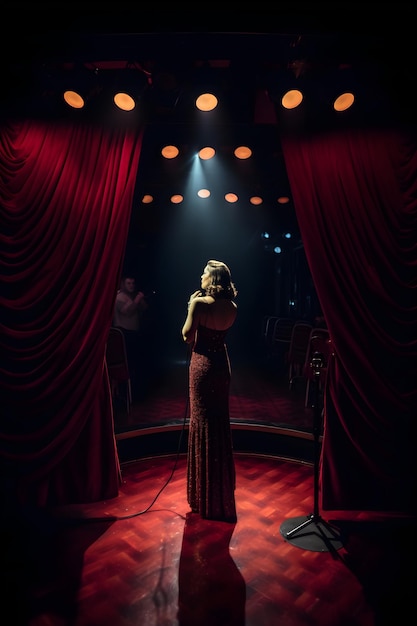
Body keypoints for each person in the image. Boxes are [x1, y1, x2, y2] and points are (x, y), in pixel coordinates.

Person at [181, 259, 238, 522]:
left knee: (202, 423)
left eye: (204, 273)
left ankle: (202, 496)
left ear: (213, 279)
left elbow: (186, 335)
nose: (201, 275)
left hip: (202, 365)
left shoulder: (199, 303)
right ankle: (220, 494)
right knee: (218, 423)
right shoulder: (232, 306)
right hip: (221, 366)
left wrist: (189, 307)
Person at [113, 276, 149, 397]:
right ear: (123, 284)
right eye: (128, 283)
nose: (131, 286)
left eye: (133, 283)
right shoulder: (119, 297)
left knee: (135, 362)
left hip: (133, 333)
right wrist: (137, 300)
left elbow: (144, 309)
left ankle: (135, 390)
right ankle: (125, 392)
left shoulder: (132, 296)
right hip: (124, 334)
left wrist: (140, 300)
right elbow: (127, 312)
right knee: (129, 362)